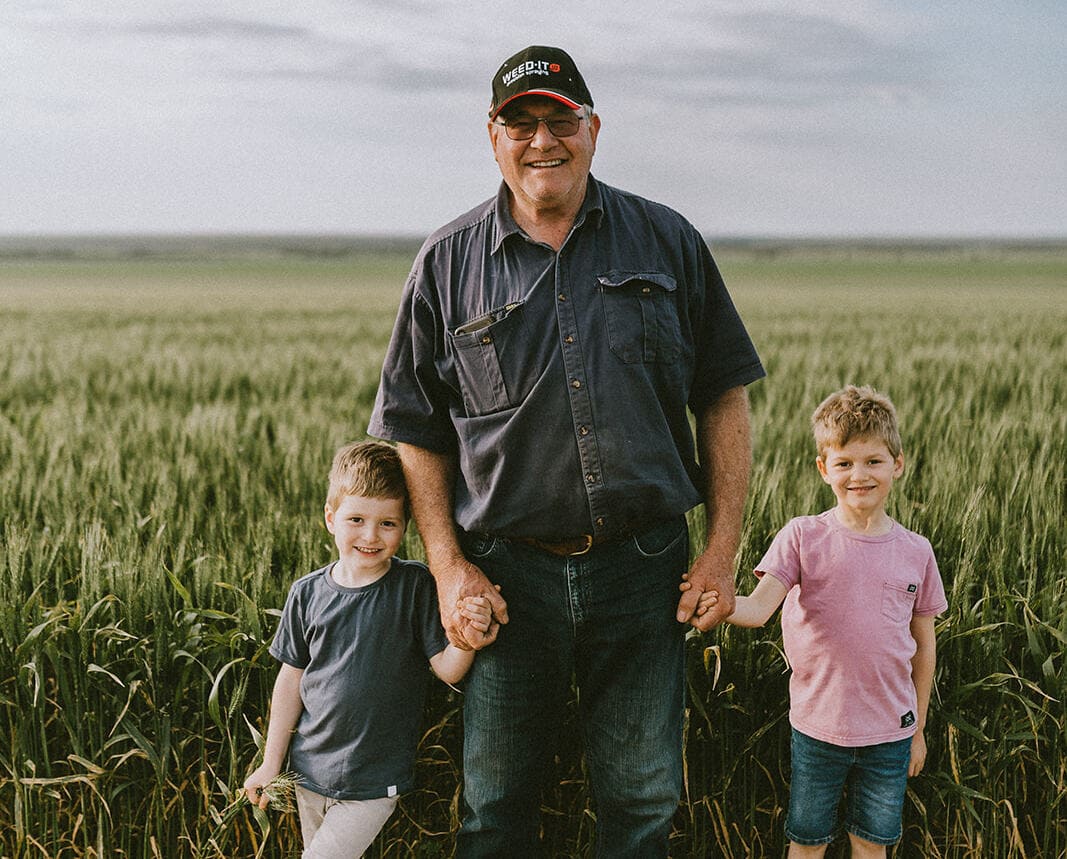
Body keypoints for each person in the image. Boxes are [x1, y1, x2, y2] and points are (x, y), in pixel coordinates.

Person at [368, 44, 765, 856]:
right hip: (506, 578)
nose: (541, 140)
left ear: (593, 129)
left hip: (645, 570)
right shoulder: (446, 264)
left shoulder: (666, 239)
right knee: (496, 805)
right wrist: (447, 567)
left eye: (560, 121)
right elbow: (413, 427)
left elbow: (722, 392)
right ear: (492, 136)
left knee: (643, 801)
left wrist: (722, 550)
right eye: (521, 124)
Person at [684, 385, 947, 857]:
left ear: (898, 464)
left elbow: (924, 645)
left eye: (873, 461)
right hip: (818, 729)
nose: (859, 475)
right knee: (806, 843)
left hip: (891, 733)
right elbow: (760, 607)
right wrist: (722, 604)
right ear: (824, 468)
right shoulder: (803, 537)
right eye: (844, 463)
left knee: (873, 846)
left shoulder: (917, 552)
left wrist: (919, 728)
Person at [242, 440, 492, 859]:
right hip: (308, 774)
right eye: (356, 519)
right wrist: (271, 763)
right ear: (330, 518)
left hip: (373, 783)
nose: (371, 536)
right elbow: (291, 682)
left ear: (406, 525)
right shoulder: (306, 594)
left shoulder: (413, 587)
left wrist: (467, 636)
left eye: (388, 524)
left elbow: (448, 669)